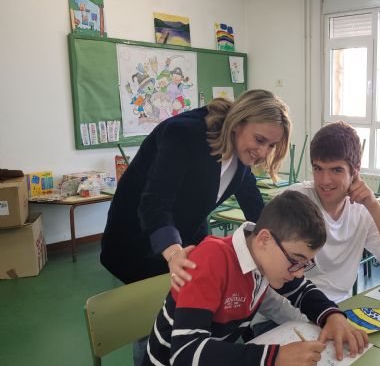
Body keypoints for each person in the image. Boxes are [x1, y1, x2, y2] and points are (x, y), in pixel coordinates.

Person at [135, 190, 368, 366]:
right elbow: (185, 354)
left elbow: (303, 291)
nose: (298, 272)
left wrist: (332, 316)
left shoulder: (265, 259)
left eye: (305, 264)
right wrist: (275, 358)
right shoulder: (212, 260)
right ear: (264, 239)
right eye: (296, 261)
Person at [101, 89, 290, 286]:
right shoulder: (185, 133)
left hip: (185, 229)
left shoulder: (241, 154)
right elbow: (154, 204)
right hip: (137, 237)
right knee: (156, 303)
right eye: (260, 140)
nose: (263, 152)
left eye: (272, 145)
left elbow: (255, 207)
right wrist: (174, 253)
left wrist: (281, 247)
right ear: (237, 123)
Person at [289, 121, 380, 303]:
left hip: (339, 307)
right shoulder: (295, 201)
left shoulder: (362, 210)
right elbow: (273, 282)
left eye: (336, 170)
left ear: (355, 172)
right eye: (318, 169)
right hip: (294, 307)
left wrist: (373, 205)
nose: (325, 180)